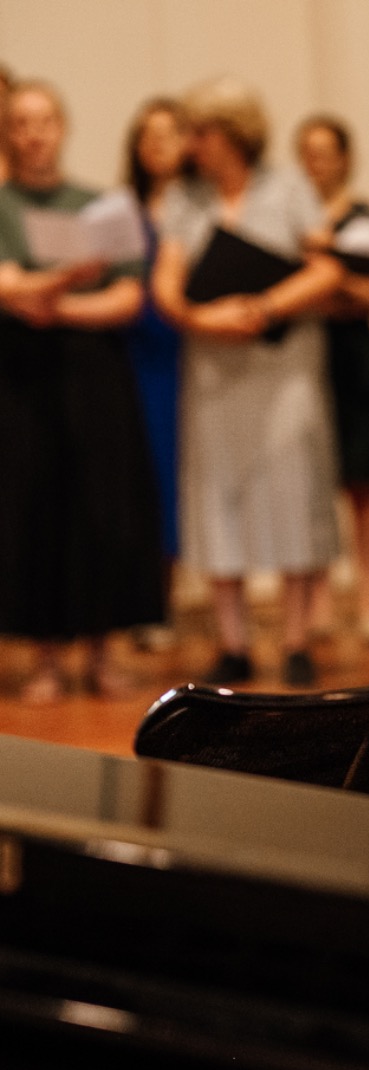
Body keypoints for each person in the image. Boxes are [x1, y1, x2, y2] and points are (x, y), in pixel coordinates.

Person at [151, 77, 343, 689]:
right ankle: (232, 642)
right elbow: (166, 279)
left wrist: (264, 307)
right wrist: (197, 316)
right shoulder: (184, 198)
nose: (191, 144)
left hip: (281, 364)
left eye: (200, 132)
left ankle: (295, 638)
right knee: (216, 492)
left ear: (232, 133)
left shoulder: (288, 188)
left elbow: (328, 268)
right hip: (213, 366)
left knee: (292, 486)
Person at [0, 79, 163, 701]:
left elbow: (127, 297)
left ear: (62, 128)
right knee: (36, 507)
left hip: (95, 376)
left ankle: (101, 654)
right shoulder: (3, 205)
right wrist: (67, 279)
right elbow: (10, 289)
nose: (33, 135)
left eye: (44, 121)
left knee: (103, 508)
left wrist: (54, 299)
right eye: (20, 123)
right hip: (23, 379)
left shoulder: (99, 205)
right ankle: (45, 659)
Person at [297, 114, 369, 644]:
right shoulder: (293, 218)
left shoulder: (368, 219)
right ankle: (318, 602)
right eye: (306, 153)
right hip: (306, 358)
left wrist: (329, 279)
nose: (315, 163)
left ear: (345, 158)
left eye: (324, 152)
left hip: (355, 357)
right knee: (311, 485)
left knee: (362, 485)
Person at [124, 97, 190, 580]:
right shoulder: (122, 209)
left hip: (194, 348)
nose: (157, 144)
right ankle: (154, 589)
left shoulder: (206, 204)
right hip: (139, 353)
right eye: (148, 135)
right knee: (149, 471)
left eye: (168, 134)